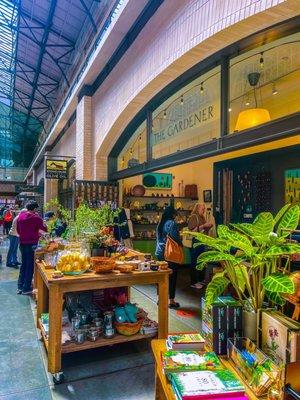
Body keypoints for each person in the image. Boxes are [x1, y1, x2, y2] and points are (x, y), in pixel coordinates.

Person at [17, 201, 47, 295]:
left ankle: (20, 286)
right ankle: (26, 288)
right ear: (34, 209)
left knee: (23, 264)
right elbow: (44, 230)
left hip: (22, 243)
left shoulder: (20, 217)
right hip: (32, 244)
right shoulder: (36, 218)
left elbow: (18, 230)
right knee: (30, 265)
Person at [155, 206, 183, 308]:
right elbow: (175, 237)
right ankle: (171, 301)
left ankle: (160, 299)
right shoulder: (171, 223)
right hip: (169, 253)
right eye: (175, 215)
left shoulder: (160, 223)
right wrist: (181, 243)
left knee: (161, 275)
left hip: (159, 252)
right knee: (172, 276)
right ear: (172, 214)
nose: (175, 217)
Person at [188, 203, 213, 289]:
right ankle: (194, 282)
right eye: (202, 209)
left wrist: (208, 227)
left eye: (204, 209)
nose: (204, 210)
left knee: (201, 261)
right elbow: (192, 231)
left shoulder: (202, 217)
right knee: (194, 261)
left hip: (202, 242)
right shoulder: (193, 217)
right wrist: (204, 226)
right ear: (197, 208)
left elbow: (204, 230)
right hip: (195, 242)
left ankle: (201, 280)